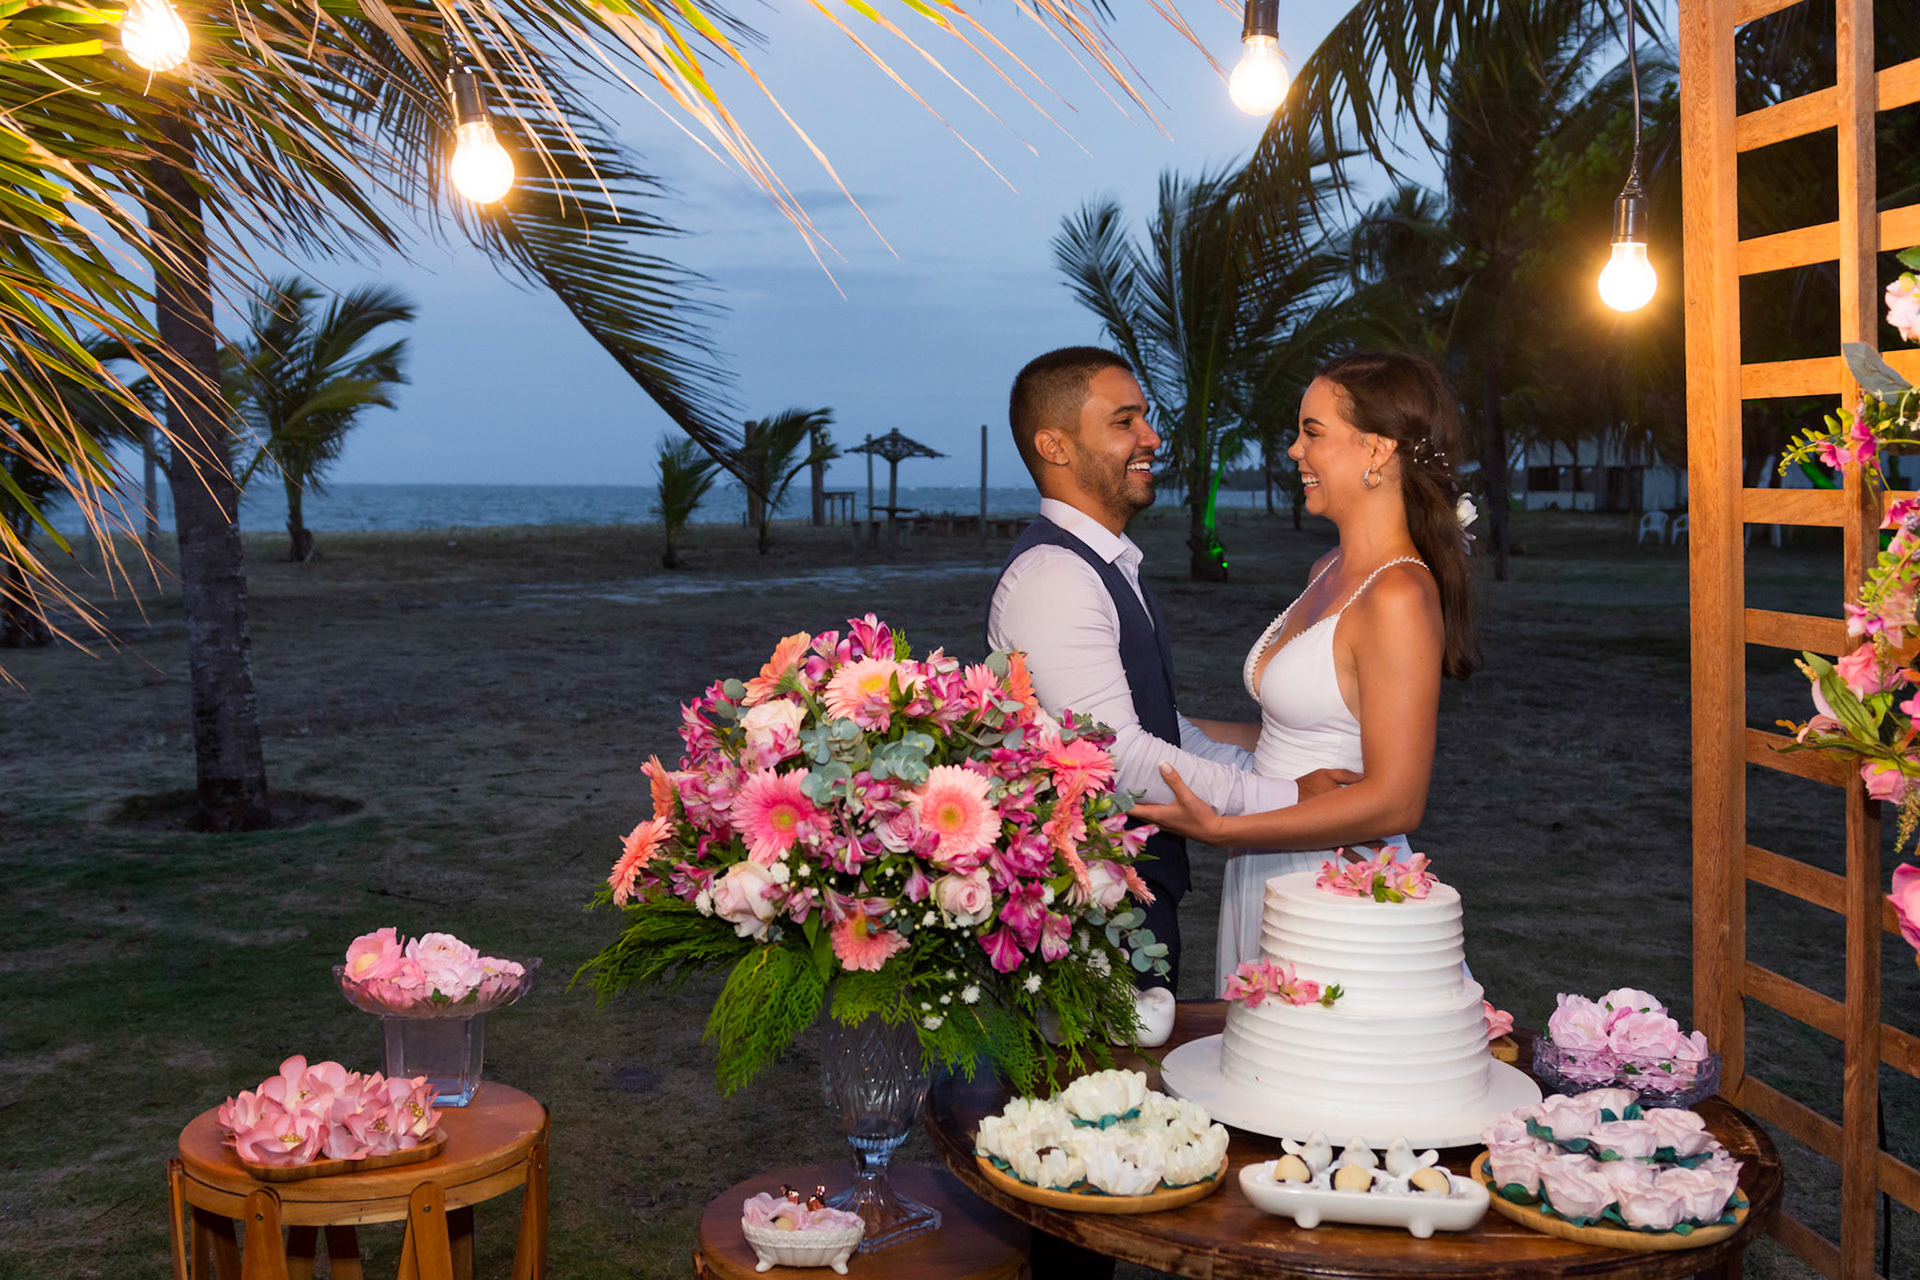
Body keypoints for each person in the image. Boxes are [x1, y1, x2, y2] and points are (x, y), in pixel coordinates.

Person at [986, 346, 1356, 992]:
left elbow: (1155, 725)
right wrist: (1289, 797)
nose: (1152, 437)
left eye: (1145, 418)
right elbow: (1118, 757)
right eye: (1124, 421)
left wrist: (1269, 767)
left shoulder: (1100, 566)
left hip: (1132, 898)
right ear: (1055, 446)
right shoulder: (1055, 578)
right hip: (1087, 916)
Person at [1131, 350, 1482, 991]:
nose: (1295, 451)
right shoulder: (1326, 570)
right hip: (1267, 864)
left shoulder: (1398, 596)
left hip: (1334, 887)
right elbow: (1293, 734)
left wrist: (1225, 828)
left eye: (1312, 432)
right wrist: (1148, 726)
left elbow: (1397, 799)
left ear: (1377, 449)